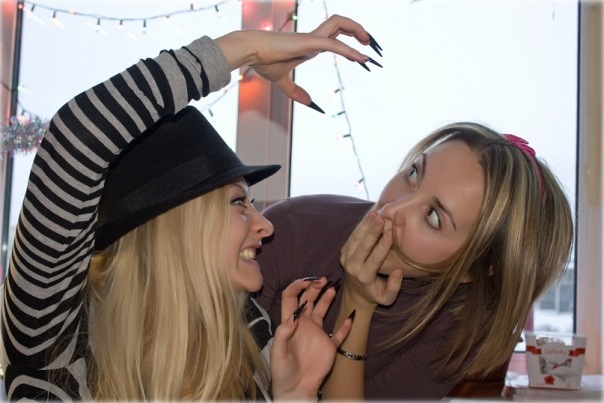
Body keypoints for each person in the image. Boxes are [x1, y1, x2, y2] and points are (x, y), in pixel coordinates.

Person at [0, 15, 380, 401]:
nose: (266, 226)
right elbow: (75, 140)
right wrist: (246, 48)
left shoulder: (252, 343)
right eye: (238, 202)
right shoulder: (58, 338)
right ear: (176, 223)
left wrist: (292, 394)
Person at [256, 122, 574, 400]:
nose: (391, 210)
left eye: (433, 216)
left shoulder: (457, 332)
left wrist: (357, 302)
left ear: (471, 270)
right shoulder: (291, 227)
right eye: (413, 174)